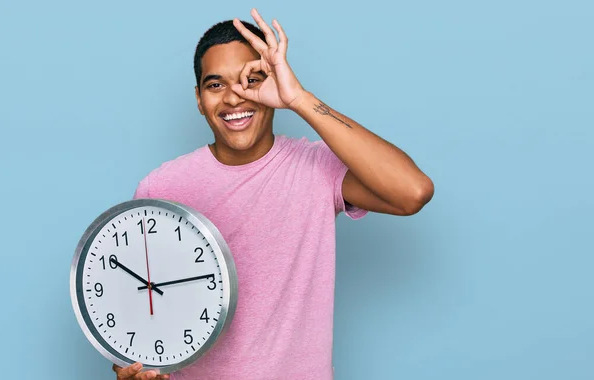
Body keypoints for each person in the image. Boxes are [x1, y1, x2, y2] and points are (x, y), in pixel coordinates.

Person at [113, 8, 434, 380]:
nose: (234, 98)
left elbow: (413, 191)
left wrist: (298, 98)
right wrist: (129, 365)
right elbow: (137, 309)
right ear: (199, 99)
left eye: (251, 79)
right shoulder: (161, 188)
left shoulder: (316, 167)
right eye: (216, 85)